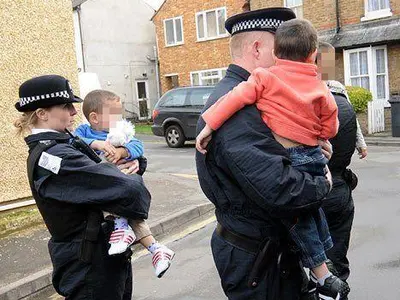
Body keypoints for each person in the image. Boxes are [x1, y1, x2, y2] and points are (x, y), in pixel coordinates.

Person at [196, 19, 350, 299]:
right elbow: (282, 190)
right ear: (257, 48)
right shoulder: (234, 106)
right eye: (279, 47)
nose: (286, 57)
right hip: (258, 261)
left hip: (267, 254)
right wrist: (323, 183)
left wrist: (311, 141)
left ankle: (322, 271)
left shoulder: (258, 91)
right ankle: (323, 274)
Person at [14, 75, 151, 299]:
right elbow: (131, 192)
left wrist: (134, 163)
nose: (74, 112)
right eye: (66, 106)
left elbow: (115, 170)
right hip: (89, 266)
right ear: (42, 114)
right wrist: (129, 175)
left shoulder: (64, 143)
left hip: (99, 259)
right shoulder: (55, 156)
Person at [74, 89, 174, 277]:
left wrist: (122, 152)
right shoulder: (84, 132)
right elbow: (74, 140)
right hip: (109, 185)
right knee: (134, 219)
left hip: (123, 185)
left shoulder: (121, 131)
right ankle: (156, 249)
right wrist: (97, 144)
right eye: (114, 114)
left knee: (124, 209)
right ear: (94, 118)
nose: (119, 119)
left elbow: (138, 145)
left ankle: (125, 231)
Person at [314, 41, 359, 300]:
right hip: (341, 189)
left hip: (316, 191)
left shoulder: (308, 102)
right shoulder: (342, 99)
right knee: (338, 260)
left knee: (316, 265)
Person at [318, 41, 368, 159]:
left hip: (341, 142)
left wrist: (361, 144)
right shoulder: (310, 86)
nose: (330, 66)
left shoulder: (338, 87)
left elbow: (352, 117)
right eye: (326, 62)